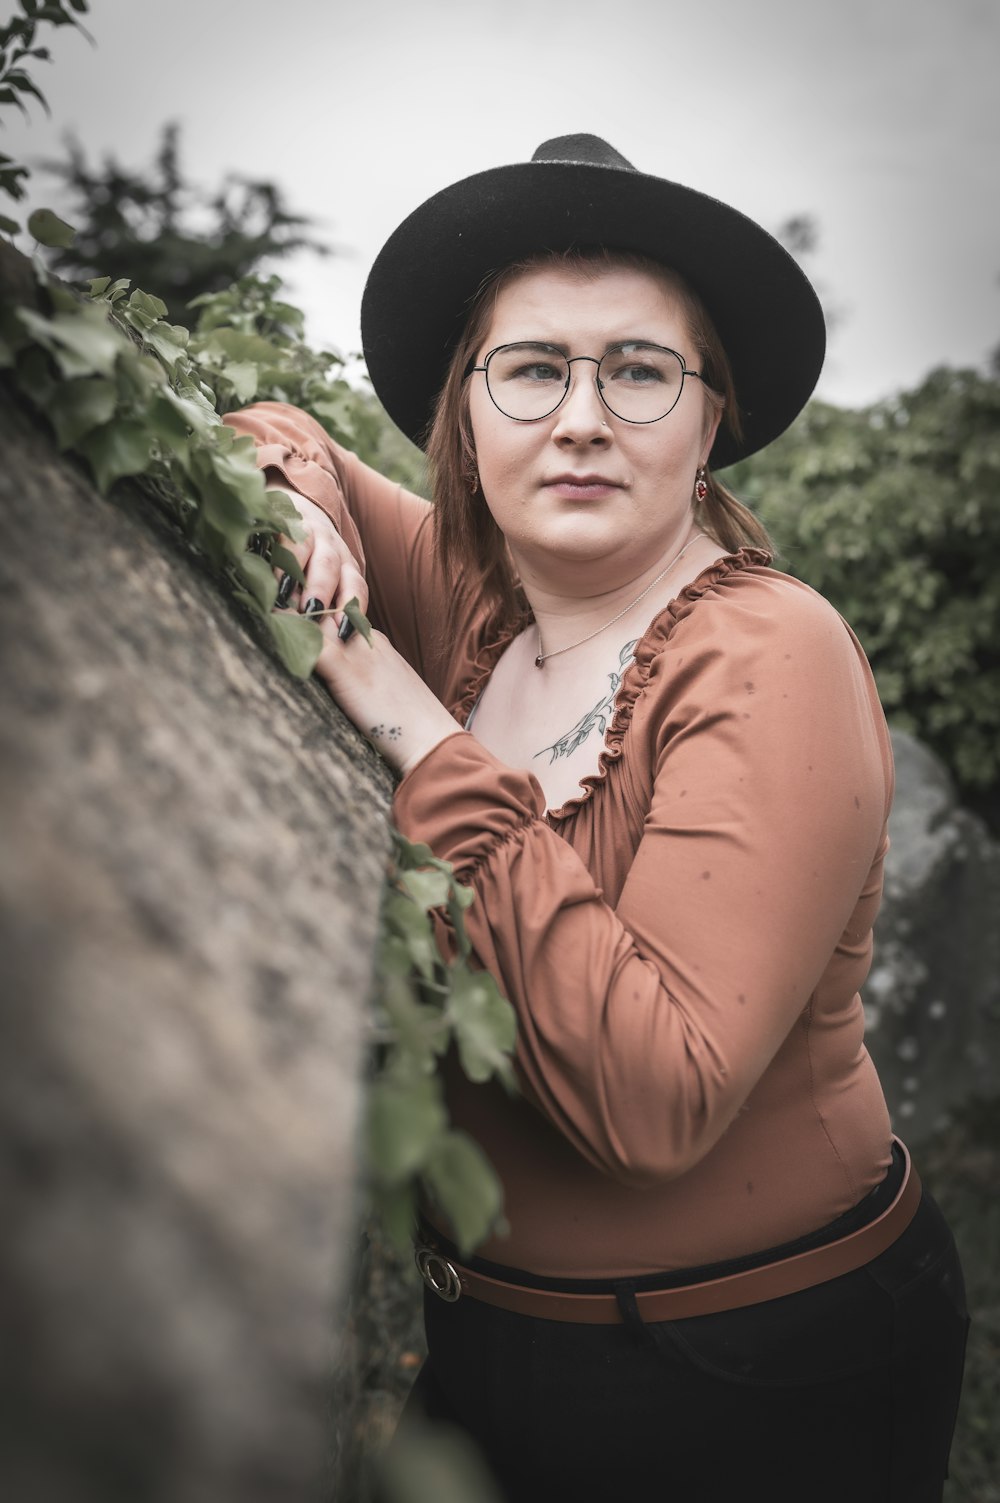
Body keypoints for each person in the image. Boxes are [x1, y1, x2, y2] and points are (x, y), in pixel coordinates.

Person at [225, 134, 968, 1502]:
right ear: (463, 411)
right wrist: (292, 510)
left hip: (756, 1378)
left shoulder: (768, 653)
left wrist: (405, 717)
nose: (580, 418)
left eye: (638, 370)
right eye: (530, 369)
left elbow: (653, 1096)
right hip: (487, 1350)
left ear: (710, 417)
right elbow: (271, 430)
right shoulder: (476, 597)